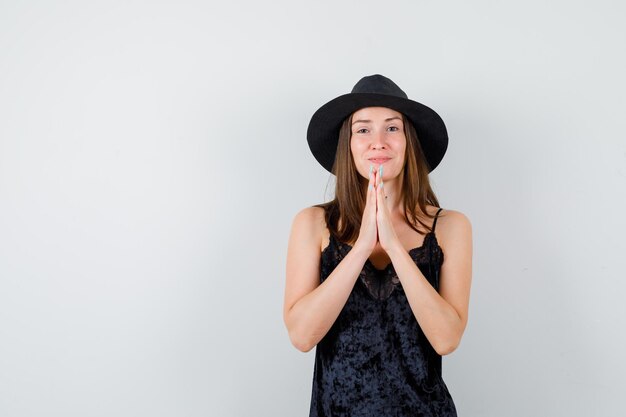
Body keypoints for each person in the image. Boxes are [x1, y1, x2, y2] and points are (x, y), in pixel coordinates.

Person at [283, 74, 473, 416]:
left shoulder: (450, 227)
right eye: (363, 129)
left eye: (392, 128)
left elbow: (446, 339)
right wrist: (361, 247)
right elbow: (302, 336)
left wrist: (395, 246)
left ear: (409, 141)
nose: (378, 142)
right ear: (348, 143)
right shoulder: (312, 224)